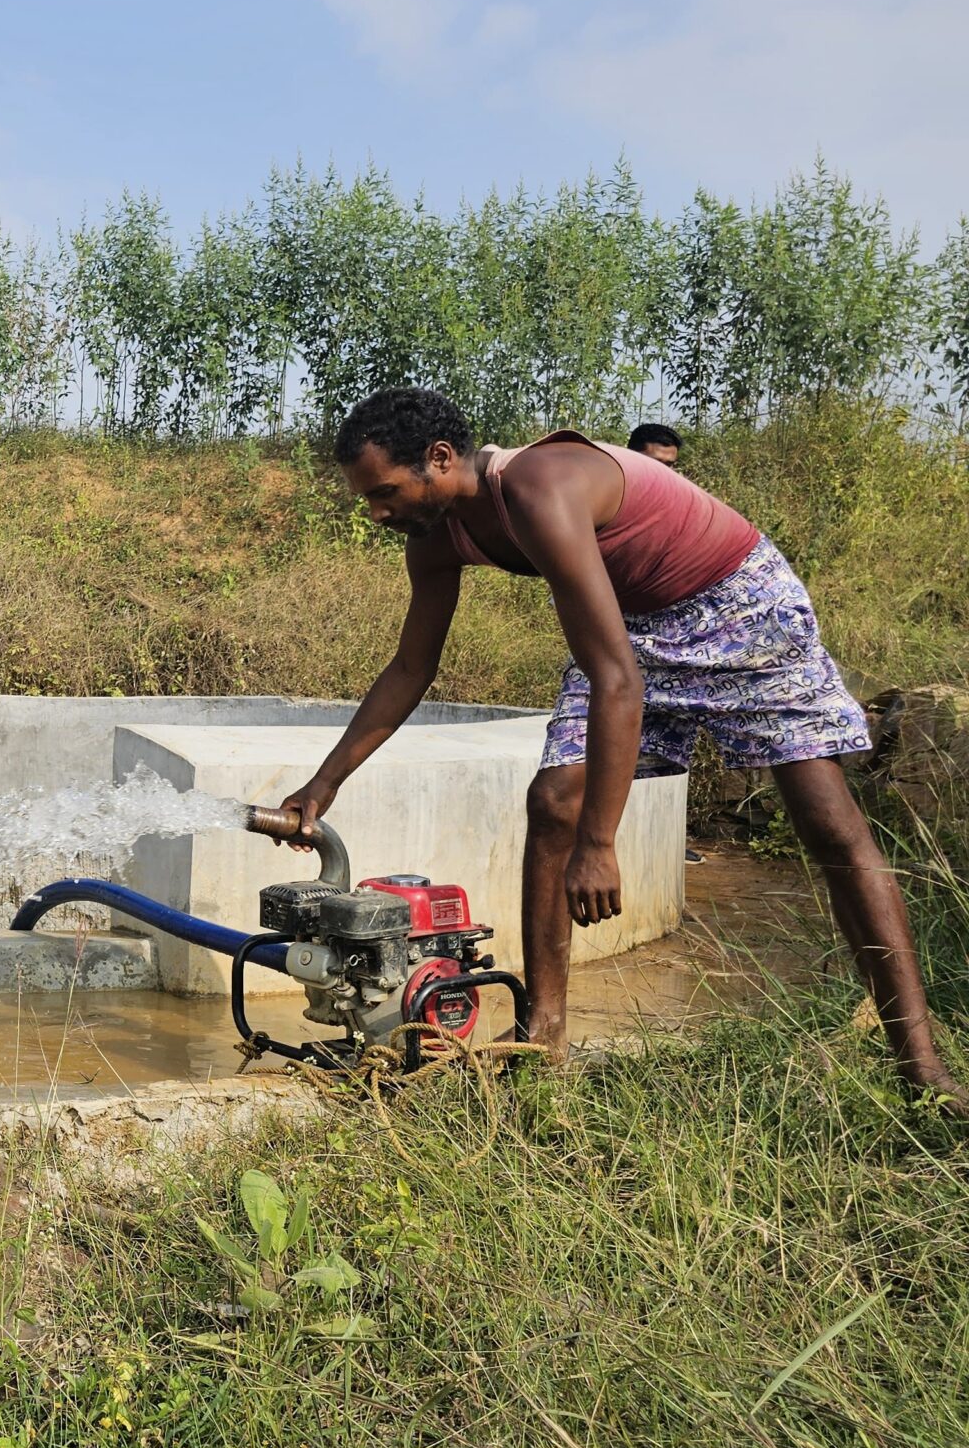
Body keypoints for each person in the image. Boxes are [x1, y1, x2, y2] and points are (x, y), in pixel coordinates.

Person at [272, 386, 963, 1113]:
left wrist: (599, 845)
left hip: (737, 603)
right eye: (368, 500)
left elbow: (615, 681)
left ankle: (921, 1068)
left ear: (440, 459)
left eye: (385, 492)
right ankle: (543, 1047)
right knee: (551, 800)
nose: (378, 513)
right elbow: (412, 668)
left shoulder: (539, 488)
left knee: (826, 822)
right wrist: (325, 785)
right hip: (632, 624)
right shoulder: (436, 537)